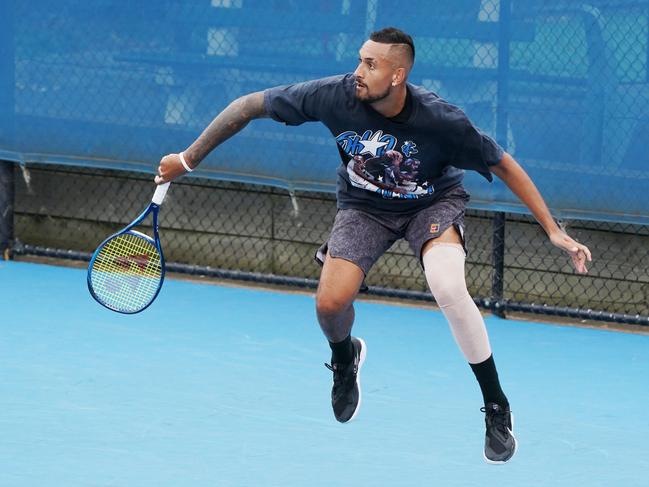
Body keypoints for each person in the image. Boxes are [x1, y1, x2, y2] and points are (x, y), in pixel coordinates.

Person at [155, 27, 592, 464]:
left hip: (432, 203)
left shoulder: (441, 120)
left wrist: (552, 229)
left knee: (448, 285)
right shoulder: (334, 96)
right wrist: (187, 159)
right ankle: (346, 359)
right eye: (360, 59)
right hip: (363, 206)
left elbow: (504, 164)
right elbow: (246, 106)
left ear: (398, 75)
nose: (358, 71)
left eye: (371, 64)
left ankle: (496, 405)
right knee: (329, 307)